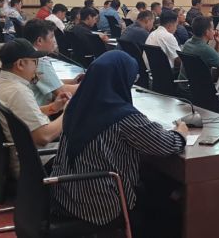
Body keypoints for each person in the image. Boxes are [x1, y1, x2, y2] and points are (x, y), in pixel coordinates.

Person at [49, 51, 188, 231]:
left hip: (66, 194)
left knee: (152, 180)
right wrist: (181, 132)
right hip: (100, 206)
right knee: (165, 204)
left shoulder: (76, 105)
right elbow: (166, 145)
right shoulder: (122, 116)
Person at [0, 38, 68, 178]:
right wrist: (69, 113)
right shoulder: (18, 91)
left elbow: (20, 115)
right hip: (36, 162)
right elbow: (44, 136)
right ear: (20, 64)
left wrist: (53, 107)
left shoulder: (0, 84)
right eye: (34, 62)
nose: (36, 67)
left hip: (21, 156)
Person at [24, 19, 81, 106]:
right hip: (41, 113)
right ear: (39, 41)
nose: (54, 40)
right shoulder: (39, 61)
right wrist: (87, 83)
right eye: (52, 36)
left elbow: (44, 82)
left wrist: (72, 81)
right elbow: (62, 92)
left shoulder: (25, 54)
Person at [179, 16, 219, 81]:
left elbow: (214, 59)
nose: (214, 31)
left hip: (184, 85)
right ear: (207, 32)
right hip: (198, 89)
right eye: (213, 29)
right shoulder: (205, 49)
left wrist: (218, 43)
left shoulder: (188, 43)